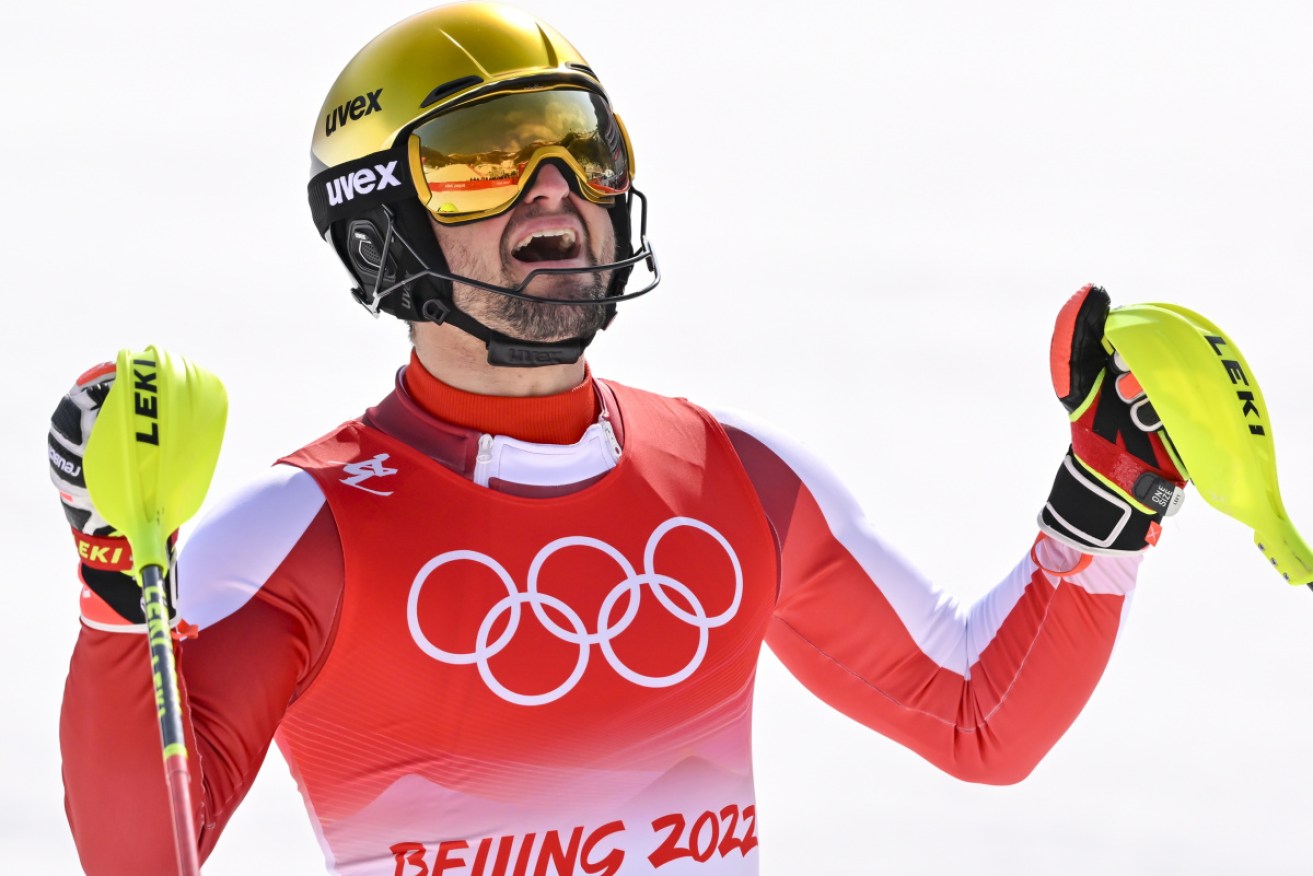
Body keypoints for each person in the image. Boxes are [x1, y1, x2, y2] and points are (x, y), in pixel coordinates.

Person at [50, 4, 1188, 874]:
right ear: (378, 227)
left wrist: (1108, 490)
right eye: (484, 161)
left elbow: (977, 719)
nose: (553, 194)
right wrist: (115, 577)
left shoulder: (738, 476)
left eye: (580, 147)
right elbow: (141, 855)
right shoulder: (299, 531)